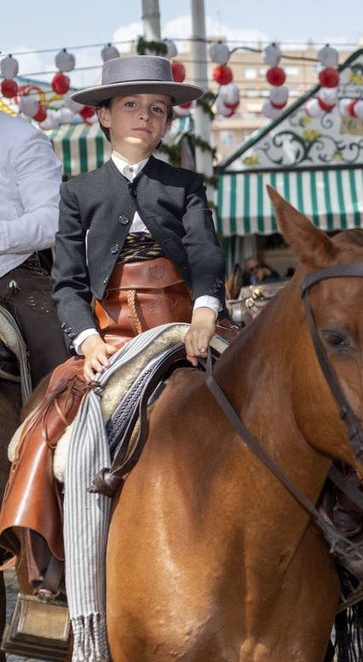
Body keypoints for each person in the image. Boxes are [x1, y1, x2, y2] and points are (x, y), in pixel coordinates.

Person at [0, 55, 225, 594]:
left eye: (157, 109)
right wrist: (88, 338)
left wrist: (204, 311)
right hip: (110, 332)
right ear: (103, 116)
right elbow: (69, 282)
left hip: (182, 320)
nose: (144, 117)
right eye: (130, 106)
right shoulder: (79, 193)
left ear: (169, 122)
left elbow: (206, 256)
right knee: (42, 426)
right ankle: (46, 569)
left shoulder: (187, 185)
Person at [0, 113, 69, 384]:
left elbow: (53, 218)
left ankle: (66, 423)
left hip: (12, 275)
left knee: (56, 357)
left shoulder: (21, 137)